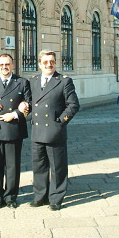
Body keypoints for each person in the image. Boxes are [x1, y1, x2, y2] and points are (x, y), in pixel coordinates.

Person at [24, 50, 79, 211]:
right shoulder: (33, 81)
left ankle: (56, 198)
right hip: (37, 130)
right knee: (39, 166)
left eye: (52, 61)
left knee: (57, 167)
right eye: (45, 62)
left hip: (54, 131)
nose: (49, 64)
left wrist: (60, 122)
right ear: (40, 64)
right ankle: (40, 196)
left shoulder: (63, 81)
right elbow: (29, 101)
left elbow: (73, 105)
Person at [0, 54, 31, 209]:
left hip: (14, 128)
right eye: (1, 64)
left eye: (7, 64)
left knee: (12, 166)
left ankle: (11, 197)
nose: (4, 67)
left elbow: (29, 104)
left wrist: (15, 114)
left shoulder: (22, 82)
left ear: (13, 65)